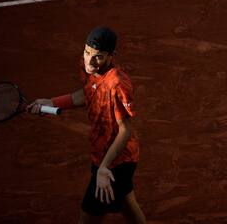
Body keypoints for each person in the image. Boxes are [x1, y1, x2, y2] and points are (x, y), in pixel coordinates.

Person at [27, 27, 147, 224]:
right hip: (103, 153)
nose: (89, 61)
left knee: (88, 216)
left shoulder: (117, 83)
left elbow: (125, 130)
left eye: (97, 57)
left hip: (116, 160)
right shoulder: (91, 68)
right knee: (127, 203)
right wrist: (52, 102)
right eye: (87, 53)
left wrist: (104, 168)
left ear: (111, 56)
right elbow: (89, 92)